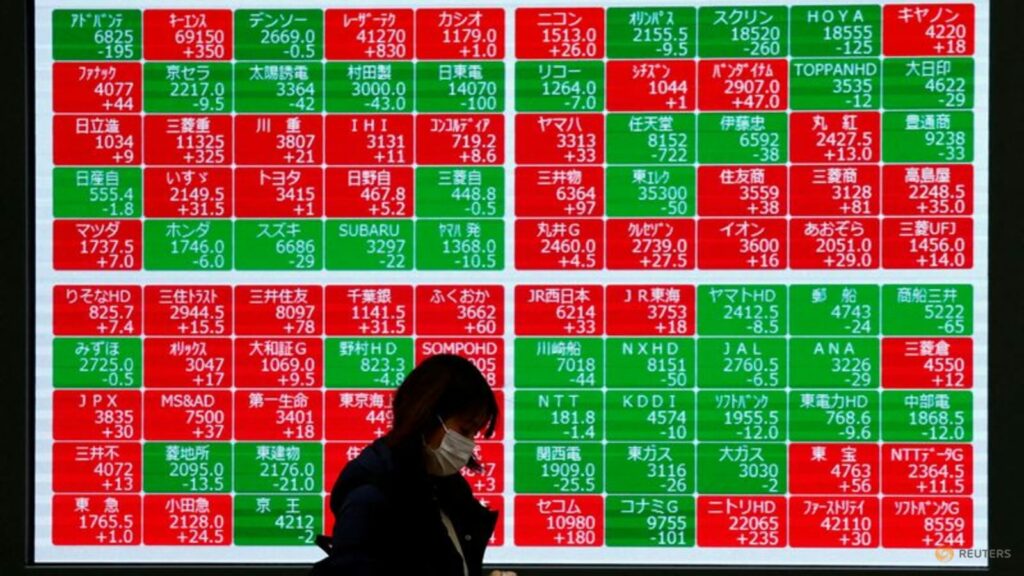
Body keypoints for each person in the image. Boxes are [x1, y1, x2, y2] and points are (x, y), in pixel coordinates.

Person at [312, 354, 515, 576]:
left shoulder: (446, 493)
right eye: (465, 430)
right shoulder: (370, 501)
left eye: (474, 433)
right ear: (426, 415)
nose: (470, 444)